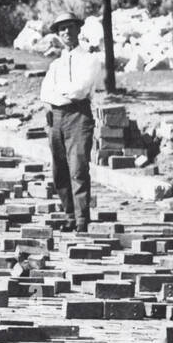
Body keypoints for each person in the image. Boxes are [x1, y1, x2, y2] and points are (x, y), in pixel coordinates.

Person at [39, 15, 105, 233]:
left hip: (78, 115)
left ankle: (81, 219)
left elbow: (81, 90)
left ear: (78, 29)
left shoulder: (90, 59)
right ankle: (69, 214)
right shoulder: (55, 63)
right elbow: (44, 92)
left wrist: (60, 91)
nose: (66, 33)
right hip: (56, 117)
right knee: (60, 170)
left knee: (77, 167)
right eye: (61, 30)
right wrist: (60, 93)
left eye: (69, 28)